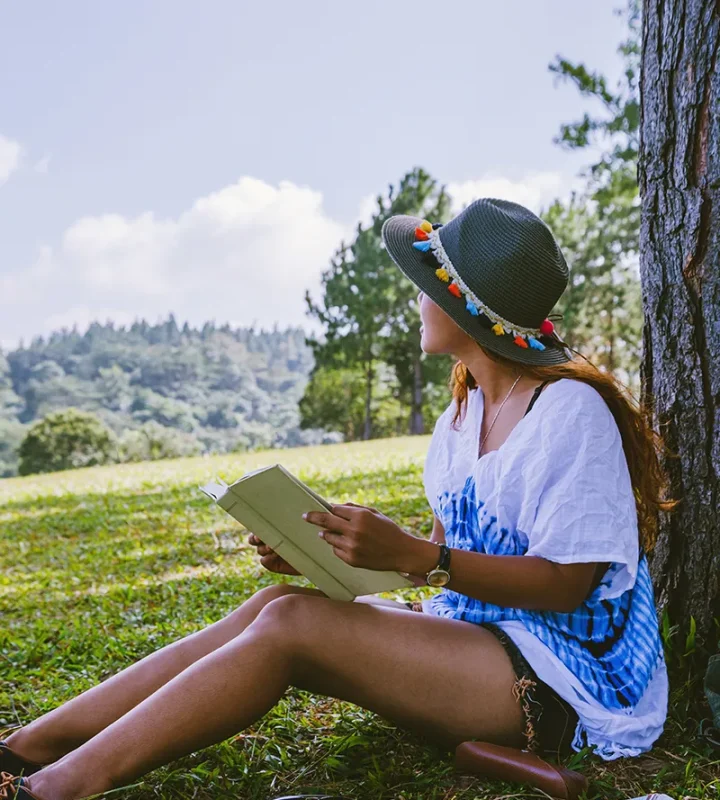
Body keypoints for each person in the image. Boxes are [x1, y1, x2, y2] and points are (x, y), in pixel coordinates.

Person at [0, 199, 677, 800]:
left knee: (295, 629)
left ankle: (54, 790)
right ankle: (25, 745)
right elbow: (445, 563)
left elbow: (565, 585)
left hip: (563, 682)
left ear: (464, 309)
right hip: (481, 642)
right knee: (281, 603)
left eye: (424, 290)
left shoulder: (569, 413)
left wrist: (424, 556)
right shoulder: (460, 419)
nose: (415, 301)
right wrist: (331, 560)